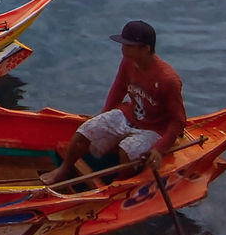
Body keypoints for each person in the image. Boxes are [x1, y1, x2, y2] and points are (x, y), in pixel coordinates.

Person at [39, 20, 186, 185]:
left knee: (127, 150)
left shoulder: (169, 80)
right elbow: (118, 90)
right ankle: (65, 169)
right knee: (85, 130)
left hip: (155, 128)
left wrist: (159, 149)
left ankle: (121, 183)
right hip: (130, 115)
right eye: (124, 44)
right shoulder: (128, 62)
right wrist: (103, 116)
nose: (123, 49)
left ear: (146, 48)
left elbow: (178, 121)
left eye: (129, 46)